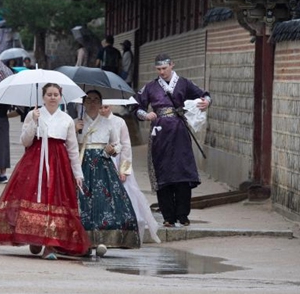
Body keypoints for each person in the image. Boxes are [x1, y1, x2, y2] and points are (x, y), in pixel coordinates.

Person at [0, 83, 90, 260]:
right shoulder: (33, 114)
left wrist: (78, 173)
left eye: (56, 94)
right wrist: (33, 121)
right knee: (34, 196)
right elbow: (25, 141)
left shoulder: (66, 120)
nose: (52, 97)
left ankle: (50, 244)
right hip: (36, 160)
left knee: (56, 199)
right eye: (49, 94)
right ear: (43, 97)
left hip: (59, 163)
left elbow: (72, 148)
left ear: (60, 96)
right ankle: (35, 235)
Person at [135, 54, 211, 228]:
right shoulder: (150, 87)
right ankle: (168, 216)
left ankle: (183, 215)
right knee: (163, 172)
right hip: (159, 134)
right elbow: (136, 105)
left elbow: (205, 95)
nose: (162, 72)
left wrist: (206, 102)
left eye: (164, 68)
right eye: (159, 69)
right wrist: (146, 114)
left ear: (172, 65)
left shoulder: (184, 83)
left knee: (182, 172)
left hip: (179, 131)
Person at [75, 90, 140, 251]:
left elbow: (118, 144)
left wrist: (112, 150)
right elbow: (67, 143)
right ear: (83, 102)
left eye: (96, 100)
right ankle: (80, 237)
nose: (92, 102)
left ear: (101, 103)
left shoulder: (109, 123)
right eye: (89, 99)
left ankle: (103, 238)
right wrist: (76, 130)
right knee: (82, 200)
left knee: (103, 199)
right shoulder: (77, 122)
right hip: (81, 163)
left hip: (102, 164)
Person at [100, 103, 161, 244]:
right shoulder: (95, 121)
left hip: (118, 160)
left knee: (126, 192)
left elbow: (126, 146)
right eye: (100, 107)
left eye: (106, 107)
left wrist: (124, 169)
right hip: (102, 160)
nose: (102, 110)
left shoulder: (119, 122)